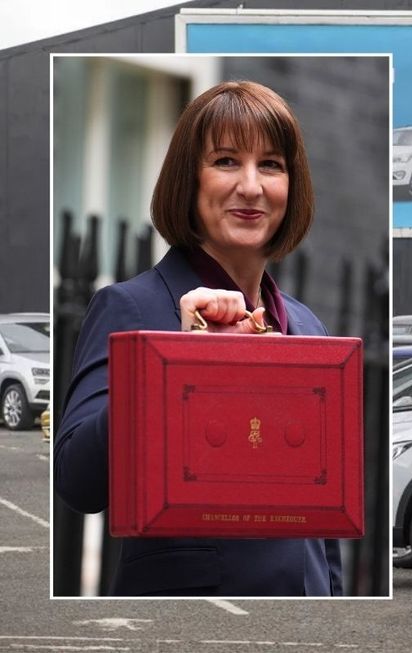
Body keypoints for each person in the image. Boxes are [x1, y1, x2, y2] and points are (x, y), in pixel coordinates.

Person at [54, 81, 342, 597]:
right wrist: (181, 360)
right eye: (226, 161)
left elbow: (324, 516)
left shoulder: (307, 325)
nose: (251, 186)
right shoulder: (131, 307)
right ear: (188, 180)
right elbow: (78, 482)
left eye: (271, 165)